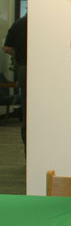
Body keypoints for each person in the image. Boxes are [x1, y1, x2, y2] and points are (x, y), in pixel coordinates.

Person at [3, 13, 27, 148]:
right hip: (42, 68)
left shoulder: (18, 23)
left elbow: (6, 47)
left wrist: (19, 54)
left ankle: (29, 156)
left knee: (27, 114)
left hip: (24, 69)